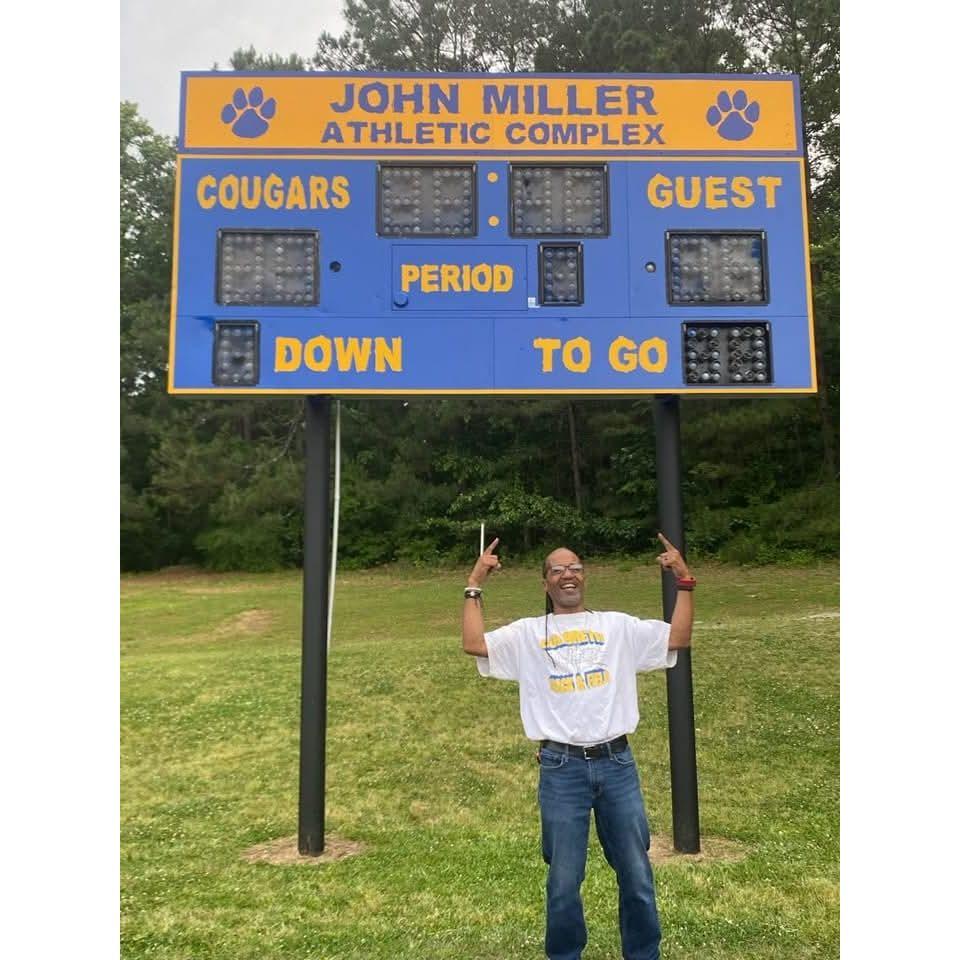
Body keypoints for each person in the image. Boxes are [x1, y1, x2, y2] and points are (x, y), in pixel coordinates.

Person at [461, 534, 695, 960]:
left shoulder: (617, 627)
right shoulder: (529, 634)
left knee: (637, 876)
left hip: (616, 764)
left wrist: (684, 581)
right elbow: (475, 644)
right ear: (545, 584)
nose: (567, 574)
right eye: (557, 569)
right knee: (564, 884)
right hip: (561, 768)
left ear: (584, 576)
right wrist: (475, 584)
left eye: (575, 568)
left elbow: (676, 639)